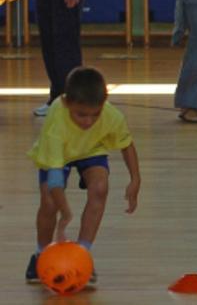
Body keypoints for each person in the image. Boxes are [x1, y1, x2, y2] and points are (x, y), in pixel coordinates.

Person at [25, 66, 141, 284]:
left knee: (100, 188)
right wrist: (65, 214)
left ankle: (83, 253)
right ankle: (41, 255)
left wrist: (135, 179)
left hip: (91, 149)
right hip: (58, 155)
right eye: (81, 114)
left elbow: (126, 145)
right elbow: (56, 180)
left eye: (95, 114)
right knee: (49, 202)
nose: (88, 121)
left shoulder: (111, 115)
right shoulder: (56, 122)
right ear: (67, 102)